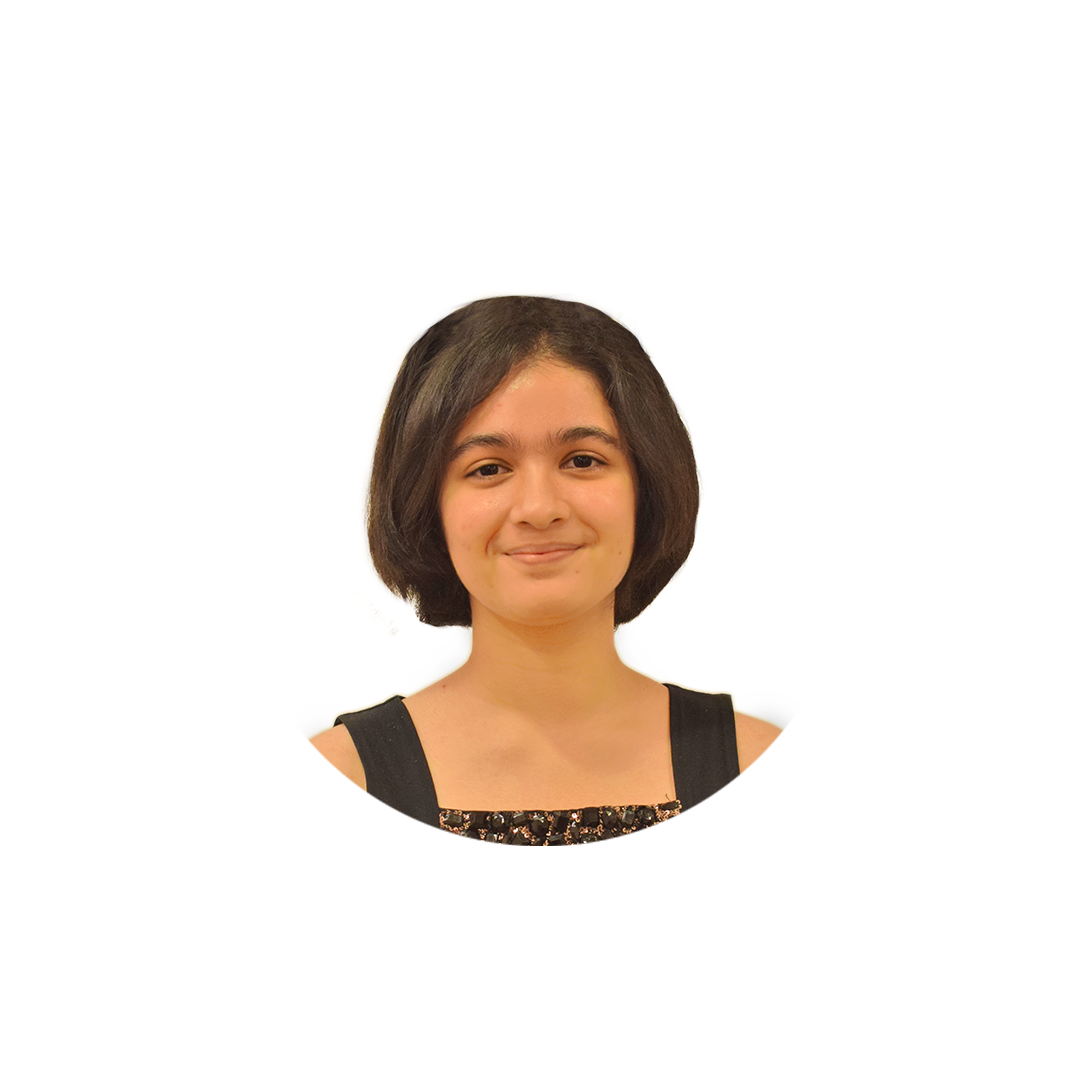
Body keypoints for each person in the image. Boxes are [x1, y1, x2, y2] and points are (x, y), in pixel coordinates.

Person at [263, 296, 820, 845]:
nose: (538, 508)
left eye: (582, 460)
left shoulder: (759, 773)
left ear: (647, 486)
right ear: (427, 504)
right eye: (488, 468)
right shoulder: (338, 784)